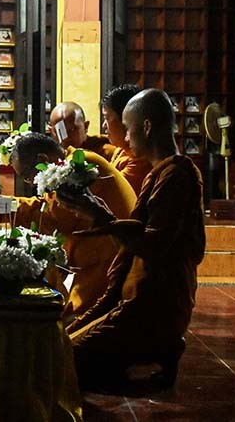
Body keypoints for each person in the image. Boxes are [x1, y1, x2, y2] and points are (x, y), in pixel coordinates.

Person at [59, 89, 205, 391]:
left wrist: (103, 218)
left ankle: (160, 347)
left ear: (147, 127)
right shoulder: (158, 174)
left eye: (128, 128)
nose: (124, 139)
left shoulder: (178, 176)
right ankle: (143, 352)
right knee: (59, 347)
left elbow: (153, 247)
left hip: (154, 309)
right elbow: (131, 243)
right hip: (132, 299)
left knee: (61, 365)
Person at [10, 132, 136, 318]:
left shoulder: (79, 164)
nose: (30, 182)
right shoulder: (68, 166)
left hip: (112, 262)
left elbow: (57, 218)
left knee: (67, 323)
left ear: (42, 159)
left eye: (28, 176)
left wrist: (6, 206)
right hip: (100, 260)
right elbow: (47, 208)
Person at [101, 84, 152, 193]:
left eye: (107, 118)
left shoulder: (140, 161)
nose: (104, 125)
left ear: (126, 119)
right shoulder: (121, 149)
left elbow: (109, 192)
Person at [49, 101, 117, 161]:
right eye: (60, 131)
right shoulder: (50, 157)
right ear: (51, 131)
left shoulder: (107, 152)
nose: (66, 137)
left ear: (85, 126)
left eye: (73, 130)